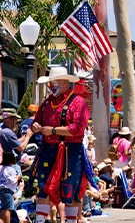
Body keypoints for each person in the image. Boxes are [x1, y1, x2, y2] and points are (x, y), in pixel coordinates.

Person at [29, 67, 97, 223]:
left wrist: (52, 130)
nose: (51, 86)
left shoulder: (78, 102)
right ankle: (40, 220)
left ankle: (72, 220)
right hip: (47, 149)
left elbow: (78, 129)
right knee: (43, 187)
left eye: (53, 83)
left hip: (70, 150)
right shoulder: (47, 103)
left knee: (70, 188)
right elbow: (35, 122)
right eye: (51, 83)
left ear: (64, 82)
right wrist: (36, 128)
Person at [0, 151, 19, 223]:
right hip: (8, 192)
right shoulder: (10, 169)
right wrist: (18, 177)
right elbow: (13, 181)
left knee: (3, 210)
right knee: (8, 210)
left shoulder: (3, 169)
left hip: (2, 190)